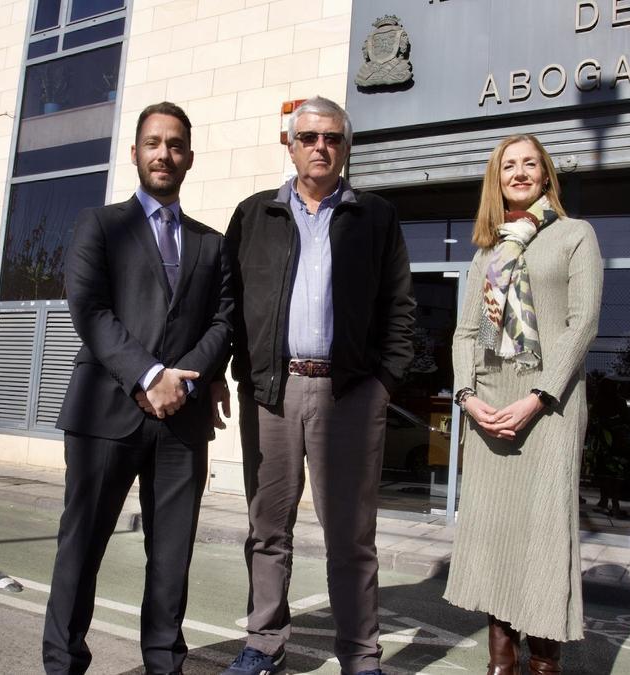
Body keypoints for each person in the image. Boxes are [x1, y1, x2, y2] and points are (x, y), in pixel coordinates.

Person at [216, 95, 414, 675]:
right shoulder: (254, 215)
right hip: (272, 395)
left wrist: (382, 382)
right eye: (309, 138)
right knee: (267, 527)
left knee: (351, 537)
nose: (320, 147)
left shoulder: (375, 216)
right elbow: (229, 304)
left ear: (346, 147)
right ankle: (263, 643)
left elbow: (399, 307)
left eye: (332, 138)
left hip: (349, 393)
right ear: (291, 144)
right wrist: (235, 374)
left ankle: (360, 657)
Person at [43, 101, 233, 675]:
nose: (163, 154)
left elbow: (225, 321)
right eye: (153, 143)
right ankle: (63, 663)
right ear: (135, 153)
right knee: (82, 547)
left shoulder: (212, 244)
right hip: (106, 412)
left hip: (182, 422)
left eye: (175, 145)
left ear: (189, 158)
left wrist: (184, 383)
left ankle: (163, 665)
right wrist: (150, 377)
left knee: (171, 558)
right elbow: (91, 311)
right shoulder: (99, 226)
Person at [443, 134, 603, 675]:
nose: (518, 172)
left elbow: (583, 324)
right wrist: (467, 397)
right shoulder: (487, 251)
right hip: (490, 405)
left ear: (546, 175)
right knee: (494, 531)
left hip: (549, 405)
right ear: (497, 178)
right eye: (508, 165)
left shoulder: (576, 236)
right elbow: (467, 333)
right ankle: (501, 662)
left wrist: (538, 397)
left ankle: (544, 663)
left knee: (542, 528)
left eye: (529, 163)